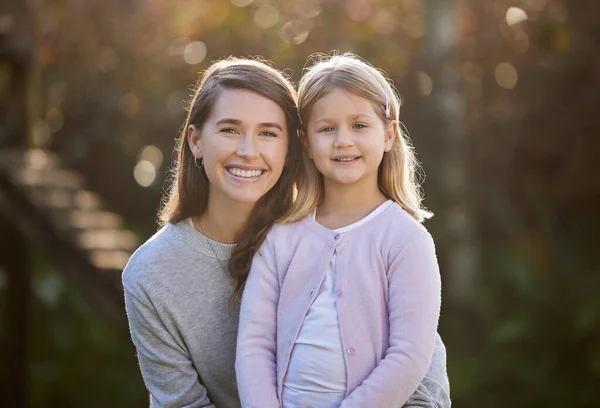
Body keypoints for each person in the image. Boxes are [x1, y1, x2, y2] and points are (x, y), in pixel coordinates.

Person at [123, 57, 450, 408]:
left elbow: (417, 364)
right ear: (196, 141)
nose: (248, 151)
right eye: (230, 129)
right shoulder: (152, 275)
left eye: (268, 132)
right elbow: (186, 401)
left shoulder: (374, 235)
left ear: (292, 144)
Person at [236, 53, 446, 408]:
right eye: (327, 128)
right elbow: (254, 346)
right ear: (306, 142)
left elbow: (409, 355)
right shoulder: (282, 237)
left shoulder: (406, 240)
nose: (343, 141)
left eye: (360, 125)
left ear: (389, 135)